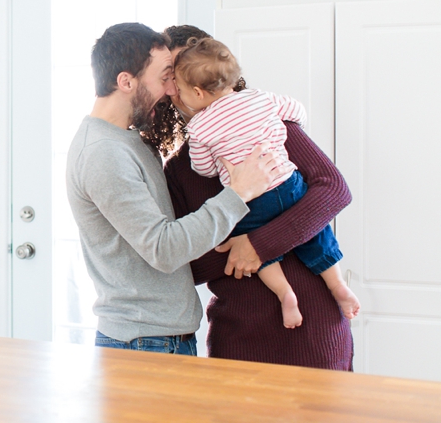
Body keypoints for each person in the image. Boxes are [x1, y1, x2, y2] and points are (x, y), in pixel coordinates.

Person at [65, 22, 281, 356]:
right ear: (126, 81)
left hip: (158, 338)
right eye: (165, 76)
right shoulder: (103, 154)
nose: (171, 89)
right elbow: (164, 249)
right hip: (143, 343)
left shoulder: (130, 141)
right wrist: (238, 193)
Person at [145, 25, 353, 370]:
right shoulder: (181, 169)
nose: (175, 85)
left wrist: (258, 244)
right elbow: (187, 264)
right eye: (170, 75)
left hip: (313, 328)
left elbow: (332, 189)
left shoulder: (267, 125)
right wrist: (237, 245)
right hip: (236, 335)